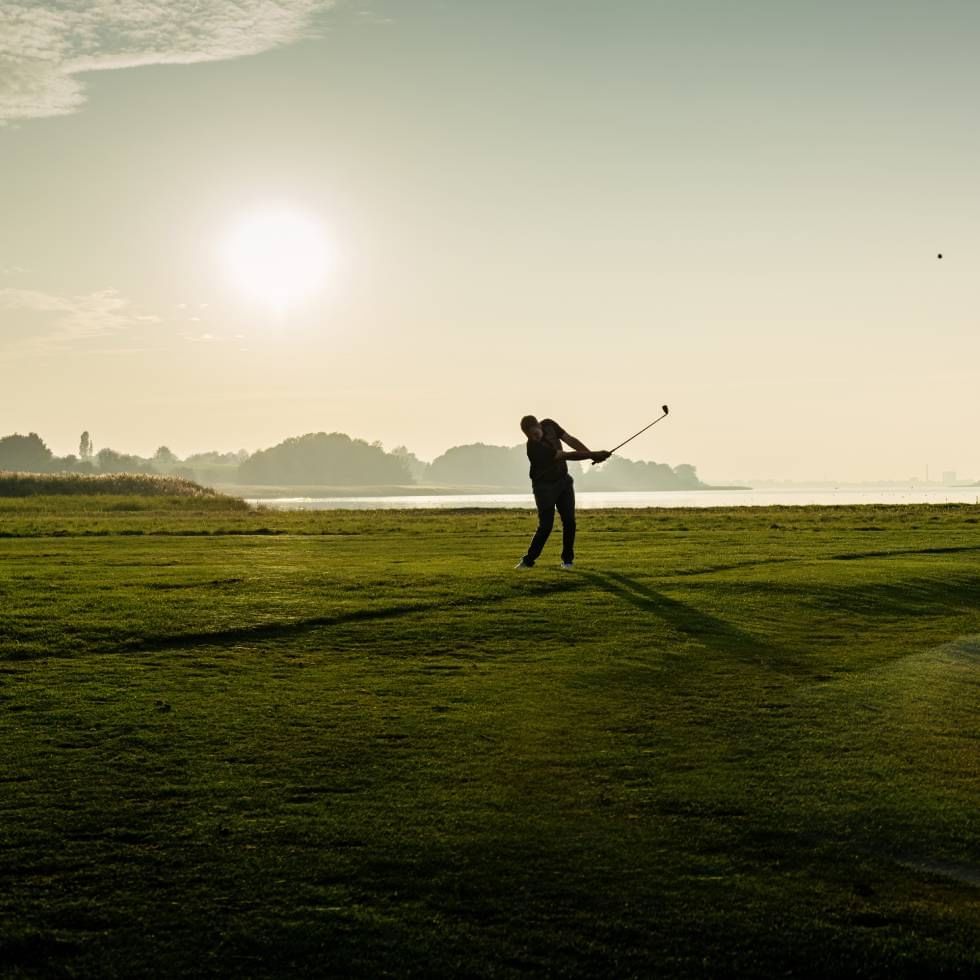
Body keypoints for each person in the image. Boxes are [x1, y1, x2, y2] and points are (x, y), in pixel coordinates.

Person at [515, 415, 610, 570]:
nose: (534, 438)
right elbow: (565, 455)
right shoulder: (534, 448)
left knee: (569, 521)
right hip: (543, 487)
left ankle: (567, 561)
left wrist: (590, 454)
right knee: (546, 526)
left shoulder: (550, 425)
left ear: (539, 425)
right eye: (530, 436)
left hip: (563, 481)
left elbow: (570, 440)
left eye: (535, 434)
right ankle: (528, 561)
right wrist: (593, 455)